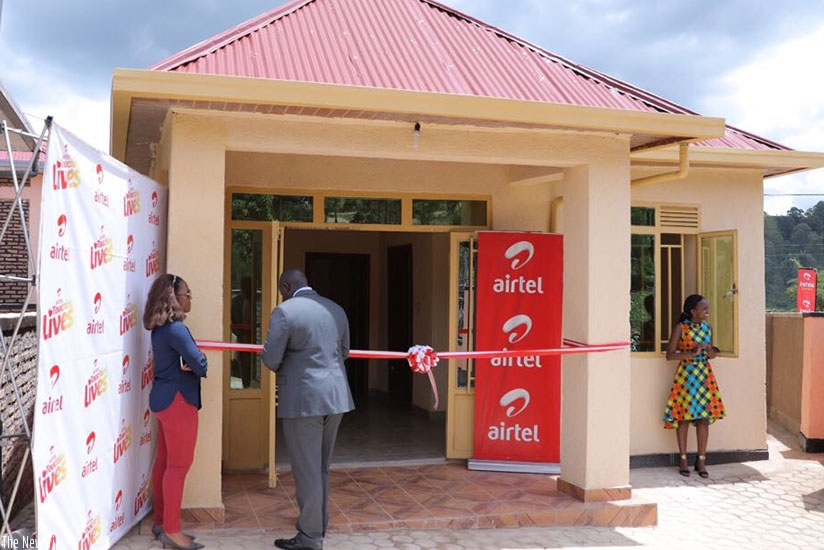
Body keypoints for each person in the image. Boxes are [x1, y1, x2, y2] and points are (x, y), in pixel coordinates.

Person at [261, 268, 354, 550]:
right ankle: (318, 524)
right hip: (336, 397)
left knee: (307, 470)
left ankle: (310, 536)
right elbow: (345, 352)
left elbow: (271, 359)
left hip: (303, 401)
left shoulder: (284, 312)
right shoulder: (336, 309)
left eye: (282, 290)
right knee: (321, 467)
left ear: (286, 287)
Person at [143, 274, 208, 550]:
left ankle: (161, 522)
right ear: (174, 297)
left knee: (164, 463)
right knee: (178, 466)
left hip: (163, 399)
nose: (190, 298)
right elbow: (199, 363)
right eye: (187, 293)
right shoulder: (177, 330)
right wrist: (200, 361)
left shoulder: (160, 329)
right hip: (179, 401)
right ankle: (171, 530)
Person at [662, 294, 726, 478]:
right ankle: (683, 459)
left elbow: (711, 356)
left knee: (703, 419)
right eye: (704, 308)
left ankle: (701, 460)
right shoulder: (681, 328)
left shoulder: (707, 327)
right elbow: (670, 355)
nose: (707, 311)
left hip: (704, 375)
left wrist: (711, 351)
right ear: (693, 311)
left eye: (707, 308)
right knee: (683, 418)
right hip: (687, 375)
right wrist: (692, 352)